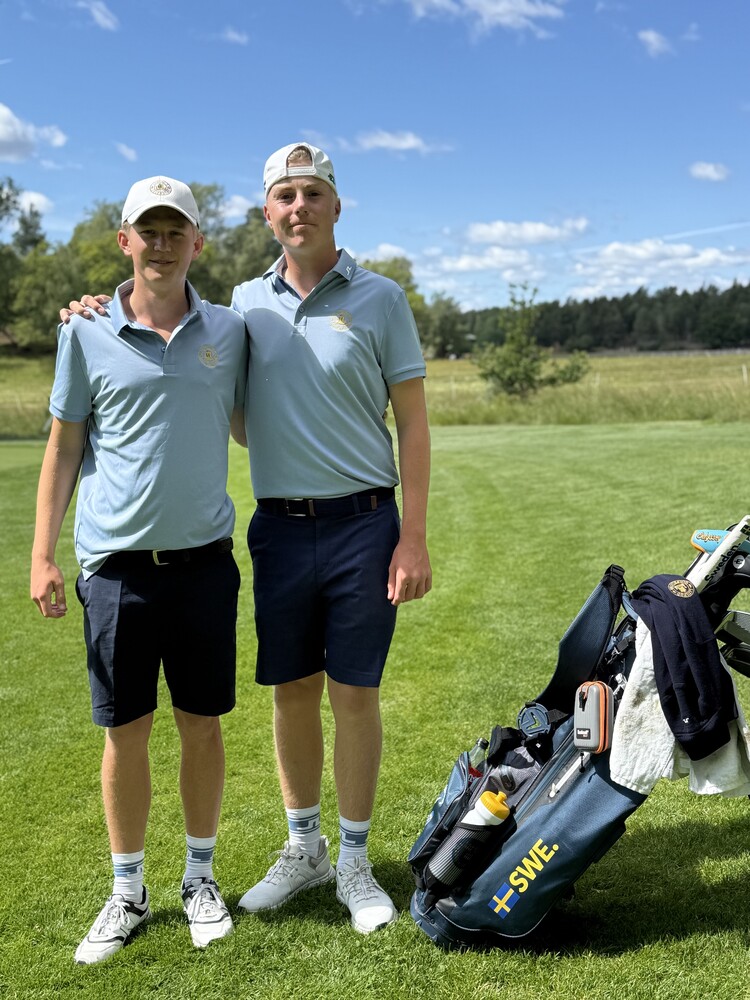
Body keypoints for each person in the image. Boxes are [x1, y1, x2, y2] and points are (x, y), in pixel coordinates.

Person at [63, 142, 432, 936]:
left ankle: (355, 861)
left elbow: (412, 423)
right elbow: (208, 387)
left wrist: (414, 538)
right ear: (267, 213)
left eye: (313, 193)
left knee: (354, 694)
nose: (299, 207)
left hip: (366, 525)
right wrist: (91, 309)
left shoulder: (381, 299)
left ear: (336, 205)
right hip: (279, 530)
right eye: (285, 197)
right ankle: (306, 849)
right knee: (291, 691)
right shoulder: (241, 308)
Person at [35, 175, 248, 964]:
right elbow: (64, 447)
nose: (161, 245)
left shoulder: (230, 330)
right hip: (116, 571)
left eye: (174, 231)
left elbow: (265, 414)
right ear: (124, 241)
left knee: (202, 725)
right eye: (147, 232)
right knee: (124, 733)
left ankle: (199, 878)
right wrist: (41, 555)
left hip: (203, 566)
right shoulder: (85, 331)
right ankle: (128, 891)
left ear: (197, 243)